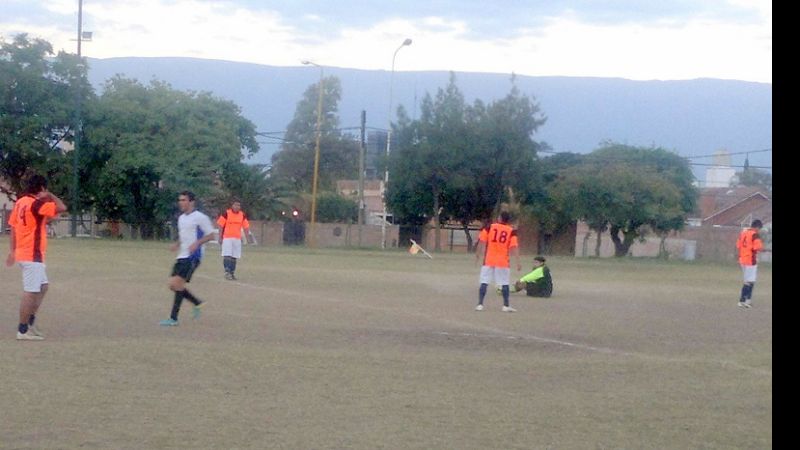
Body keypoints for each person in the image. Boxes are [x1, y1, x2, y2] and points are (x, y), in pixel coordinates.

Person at [5, 174, 67, 340]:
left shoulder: (20, 203)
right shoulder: (37, 203)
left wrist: (13, 251)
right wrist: (50, 195)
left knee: (43, 286)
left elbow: (14, 227)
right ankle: (23, 329)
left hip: (25, 253)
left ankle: (30, 320)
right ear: (41, 188)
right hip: (32, 254)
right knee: (31, 291)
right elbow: (62, 207)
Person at [160, 191, 217, 326]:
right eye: (180, 200)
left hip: (193, 256)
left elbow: (211, 236)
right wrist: (177, 244)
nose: (181, 202)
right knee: (172, 285)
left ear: (191, 202)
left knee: (177, 284)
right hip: (182, 255)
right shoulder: (181, 218)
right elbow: (184, 235)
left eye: (184, 200)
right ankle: (197, 303)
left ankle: (173, 318)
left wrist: (197, 243)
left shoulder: (200, 217)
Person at [475, 211, 522, 312]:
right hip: (503, 261)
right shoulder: (511, 231)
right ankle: (506, 305)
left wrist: (478, 254)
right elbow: (514, 247)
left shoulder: (490, 227)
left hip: (489, 259)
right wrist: (518, 262)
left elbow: (481, 241)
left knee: (484, 281)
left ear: (500, 218)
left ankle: (480, 304)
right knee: (505, 283)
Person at [217, 199, 251, 280]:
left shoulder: (242, 215)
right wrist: (220, 237)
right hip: (227, 237)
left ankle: (232, 273)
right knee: (227, 255)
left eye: (238, 205)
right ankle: (227, 272)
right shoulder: (226, 213)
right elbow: (220, 225)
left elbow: (246, 227)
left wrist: (247, 237)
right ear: (232, 205)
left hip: (237, 239)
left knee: (234, 256)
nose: (237, 207)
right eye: (235, 205)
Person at [736, 219, 764, 309]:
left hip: (742, 259)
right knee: (749, 281)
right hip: (750, 260)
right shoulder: (755, 235)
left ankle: (747, 301)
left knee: (749, 280)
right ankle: (742, 301)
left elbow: (738, 245)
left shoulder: (743, 233)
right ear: (757, 227)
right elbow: (758, 247)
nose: (759, 230)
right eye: (759, 229)